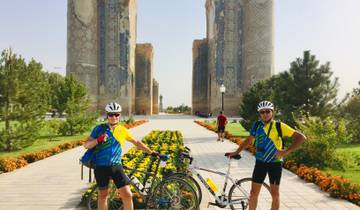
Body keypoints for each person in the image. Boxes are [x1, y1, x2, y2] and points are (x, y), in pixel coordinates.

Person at [225, 101, 306, 210]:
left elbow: (301, 137)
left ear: (272, 112)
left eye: (268, 111)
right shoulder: (257, 125)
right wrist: (237, 152)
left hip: (275, 164)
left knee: (275, 195)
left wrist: (286, 152)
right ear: (259, 114)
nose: (265, 114)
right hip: (260, 163)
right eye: (262, 112)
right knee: (253, 193)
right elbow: (249, 140)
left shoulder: (279, 126)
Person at [84, 102, 158, 210]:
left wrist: (150, 151)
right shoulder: (99, 129)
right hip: (101, 167)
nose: (114, 117)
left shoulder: (122, 130)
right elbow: (87, 145)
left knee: (127, 195)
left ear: (119, 115)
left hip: (116, 167)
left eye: (116, 114)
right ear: (107, 115)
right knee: (103, 196)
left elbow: (136, 142)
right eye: (111, 114)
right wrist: (98, 140)